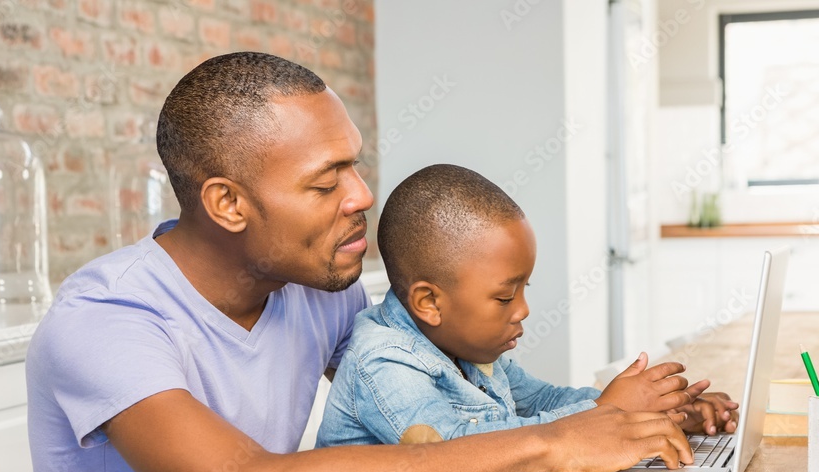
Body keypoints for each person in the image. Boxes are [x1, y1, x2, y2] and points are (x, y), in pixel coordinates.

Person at [26, 53, 695, 472]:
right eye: (325, 184)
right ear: (227, 202)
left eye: (354, 165)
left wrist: (617, 416)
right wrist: (549, 443)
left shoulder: (314, 294)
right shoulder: (107, 321)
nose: (362, 196)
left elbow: (425, 400)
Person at [316, 163, 739, 452]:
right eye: (504, 297)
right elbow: (457, 451)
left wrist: (660, 411)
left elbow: (543, 399)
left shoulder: (468, 347)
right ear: (429, 302)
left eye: (524, 290)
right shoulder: (383, 362)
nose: (522, 311)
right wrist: (608, 411)